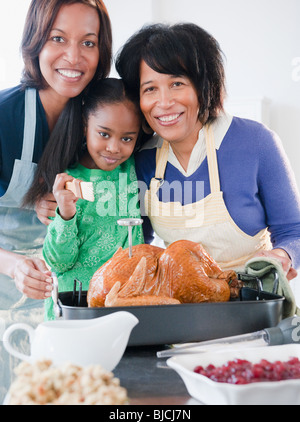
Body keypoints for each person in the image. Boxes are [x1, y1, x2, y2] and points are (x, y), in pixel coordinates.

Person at [115, 23, 300, 280]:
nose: (165, 102)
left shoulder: (256, 142)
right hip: (183, 306)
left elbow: (293, 230)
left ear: (204, 86)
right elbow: (138, 243)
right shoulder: (143, 160)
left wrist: (283, 255)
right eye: (150, 89)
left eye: (177, 83)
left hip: (256, 301)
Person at [0, 0, 112, 311]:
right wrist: (14, 266)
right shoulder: (4, 116)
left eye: (88, 42)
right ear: (34, 41)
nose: (74, 57)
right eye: (57, 38)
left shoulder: (101, 123)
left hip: (73, 297)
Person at [42, 78, 144, 320]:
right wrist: (65, 214)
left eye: (127, 138)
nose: (114, 148)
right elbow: (58, 263)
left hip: (123, 307)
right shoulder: (66, 183)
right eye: (103, 134)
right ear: (84, 124)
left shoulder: (130, 168)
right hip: (75, 309)